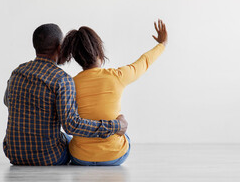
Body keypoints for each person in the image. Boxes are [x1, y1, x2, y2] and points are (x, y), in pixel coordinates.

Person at [3, 23, 128, 166]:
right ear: (59, 48)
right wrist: (116, 126)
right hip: (49, 157)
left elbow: (7, 101)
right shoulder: (62, 79)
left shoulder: (17, 72)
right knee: (74, 143)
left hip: (12, 153)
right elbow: (71, 125)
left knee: (65, 137)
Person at [59, 19, 168, 166]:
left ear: (76, 58)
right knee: (124, 130)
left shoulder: (69, 83)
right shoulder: (117, 76)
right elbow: (144, 62)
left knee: (68, 137)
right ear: (99, 50)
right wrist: (162, 44)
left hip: (81, 158)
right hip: (115, 156)